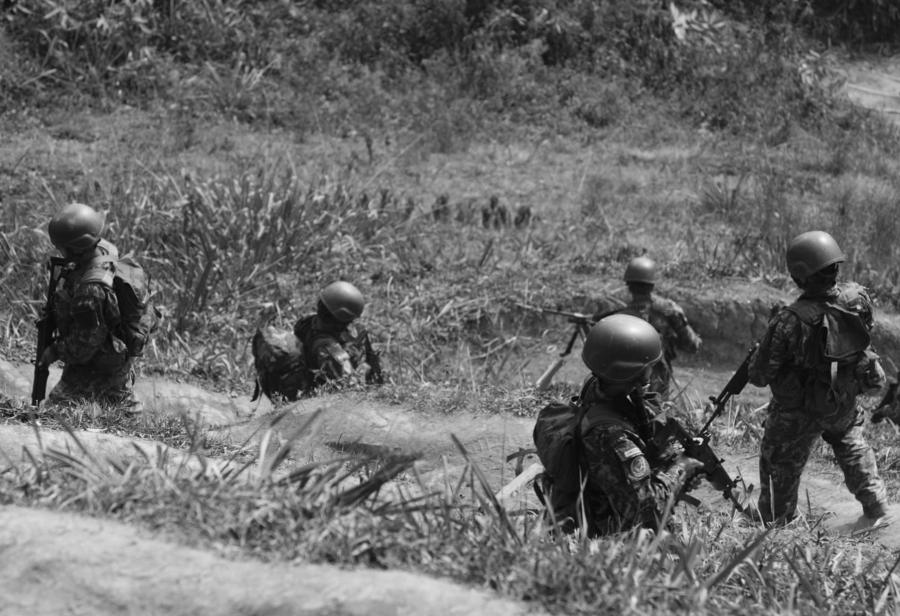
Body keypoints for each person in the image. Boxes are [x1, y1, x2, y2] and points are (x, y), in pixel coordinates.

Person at [748, 230, 889, 526]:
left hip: (798, 411)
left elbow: (760, 376)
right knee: (851, 442)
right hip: (842, 400)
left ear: (799, 275)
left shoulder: (789, 320)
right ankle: (875, 504)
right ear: (835, 267)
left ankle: (778, 517)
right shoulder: (857, 300)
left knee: (779, 457)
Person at [568, 313, 703, 536]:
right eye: (650, 365)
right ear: (635, 373)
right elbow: (647, 511)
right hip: (611, 531)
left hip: (597, 496)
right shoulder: (614, 437)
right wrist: (682, 469)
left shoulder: (600, 384)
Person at [37, 203, 148, 413]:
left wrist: (54, 350)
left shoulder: (91, 291)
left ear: (77, 248)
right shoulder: (103, 249)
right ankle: (126, 408)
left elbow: (85, 345)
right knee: (118, 399)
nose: (61, 252)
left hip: (99, 362)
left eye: (63, 247)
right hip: (116, 351)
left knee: (55, 410)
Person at [598, 256, 702, 399]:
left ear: (628, 284)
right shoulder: (669, 309)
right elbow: (692, 345)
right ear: (652, 285)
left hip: (621, 383)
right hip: (656, 382)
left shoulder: (618, 314)